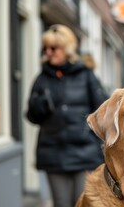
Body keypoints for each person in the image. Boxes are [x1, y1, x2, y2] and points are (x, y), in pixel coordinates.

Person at [26, 24, 108, 207]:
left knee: (83, 203)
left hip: (84, 152)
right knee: (61, 204)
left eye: (53, 48)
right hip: (53, 153)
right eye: (46, 48)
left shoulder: (87, 75)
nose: (49, 52)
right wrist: (38, 106)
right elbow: (31, 117)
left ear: (67, 49)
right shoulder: (42, 78)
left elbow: (103, 111)